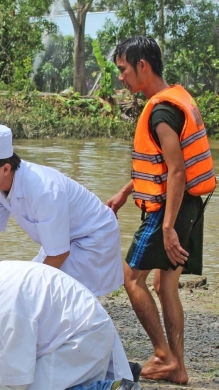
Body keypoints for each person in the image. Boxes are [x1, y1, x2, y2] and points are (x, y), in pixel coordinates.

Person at [106, 36, 216, 385]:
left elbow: (177, 171)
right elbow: (162, 167)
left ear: (143, 65)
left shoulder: (162, 110)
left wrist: (167, 227)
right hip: (189, 204)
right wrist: (127, 190)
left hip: (171, 207)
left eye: (123, 70)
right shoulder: (176, 98)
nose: (121, 78)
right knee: (164, 283)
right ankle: (177, 366)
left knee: (130, 277)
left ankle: (164, 355)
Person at [0, 123, 124, 296]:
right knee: (35, 288)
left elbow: (59, 254)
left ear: (5, 169)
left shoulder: (44, 190)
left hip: (92, 238)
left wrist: (29, 290)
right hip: (63, 240)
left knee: (56, 294)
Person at [0, 258, 139, 390]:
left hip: (80, 338)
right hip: (77, 328)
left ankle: (106, 388)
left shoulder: (4, 306)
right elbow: (15, 352)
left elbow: (15, 381)